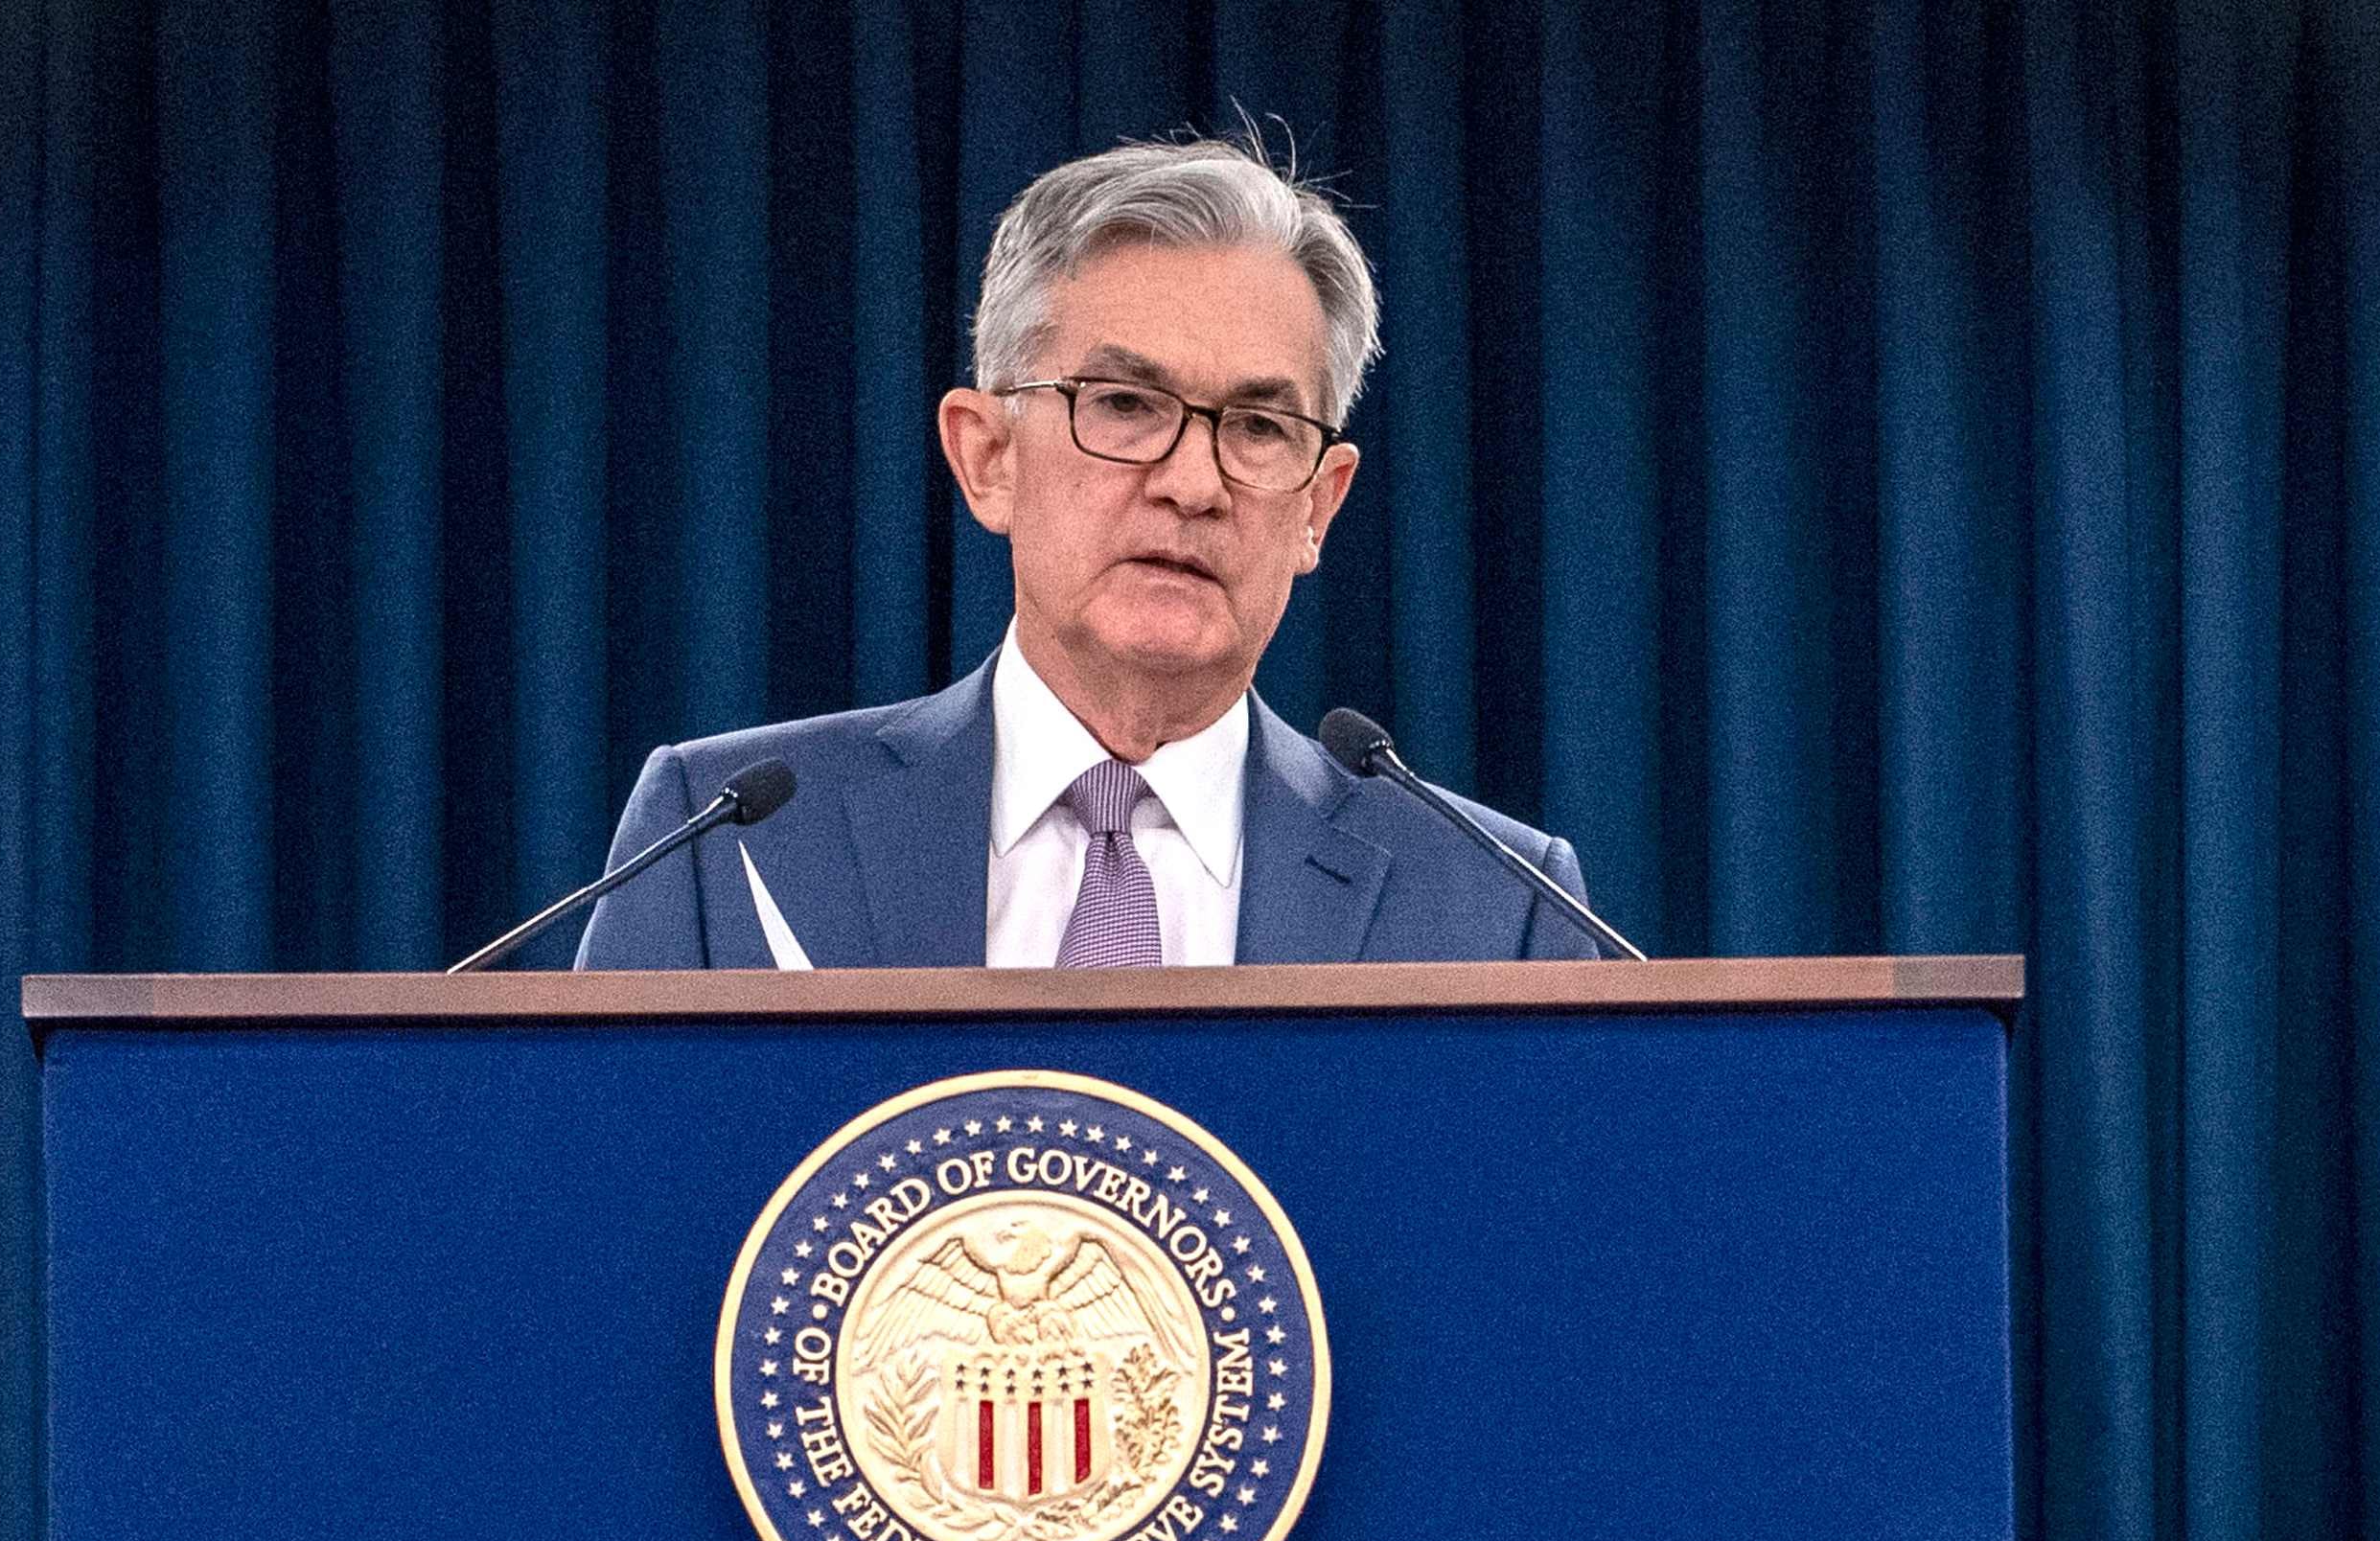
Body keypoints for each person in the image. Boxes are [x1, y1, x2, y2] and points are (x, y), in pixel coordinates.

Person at [573, 130, 1612, 971]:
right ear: (987, 459)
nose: (1193, 483)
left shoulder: (1494, 908)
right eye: (1121, 405)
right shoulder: (724, 844)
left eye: (1257, 427)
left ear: (1317, 506)